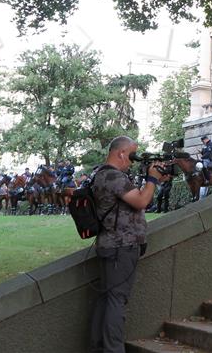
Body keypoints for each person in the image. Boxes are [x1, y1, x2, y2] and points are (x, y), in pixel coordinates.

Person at [89, 136, 171, 353]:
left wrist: (153, 180)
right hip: (121, 247)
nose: (132, 161)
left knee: (107, 298)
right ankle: (113, 350)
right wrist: (152, 179)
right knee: (117, 300)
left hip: (112, 246)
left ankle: (99, 347)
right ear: (121, 153)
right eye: (132, 155)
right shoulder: (114, 176)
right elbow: (142, 201)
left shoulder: (101, 174)